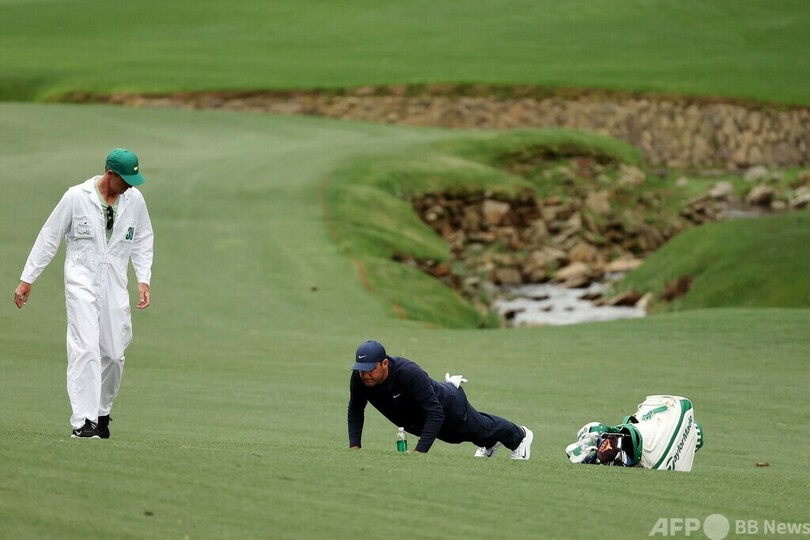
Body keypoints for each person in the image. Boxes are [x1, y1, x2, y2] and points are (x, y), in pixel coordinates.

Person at [13, 148, 154, 440]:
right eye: (125, 180)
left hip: (114, 284)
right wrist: (28, 278)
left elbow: (143, 238)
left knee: (114, 355)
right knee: (85, 348)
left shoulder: (135, 200)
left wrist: (143, 279)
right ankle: (83, 421)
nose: (130, 186)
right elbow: (49, 236)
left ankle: (101, 413)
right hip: (81, 282)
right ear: (110, 174)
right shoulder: (76, 197)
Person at [347, 340, 534, 459]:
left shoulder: (408, 372)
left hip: (450, 405)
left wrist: (419, 452)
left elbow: (435, 412)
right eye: (362, 369)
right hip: (421, 418)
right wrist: (354, 446)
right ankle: (490, 443)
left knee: (478, 429)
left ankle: (520, 436)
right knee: (465, 435)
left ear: (384, 363)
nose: (365, 375)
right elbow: (355, 409)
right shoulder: (360, 378)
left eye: (371, 369)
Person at [564, 395, 704, 472]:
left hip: (640, 441)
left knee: (601, 434)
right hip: (640, 439)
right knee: (601, 434)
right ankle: (598, 450)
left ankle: (598, 452)